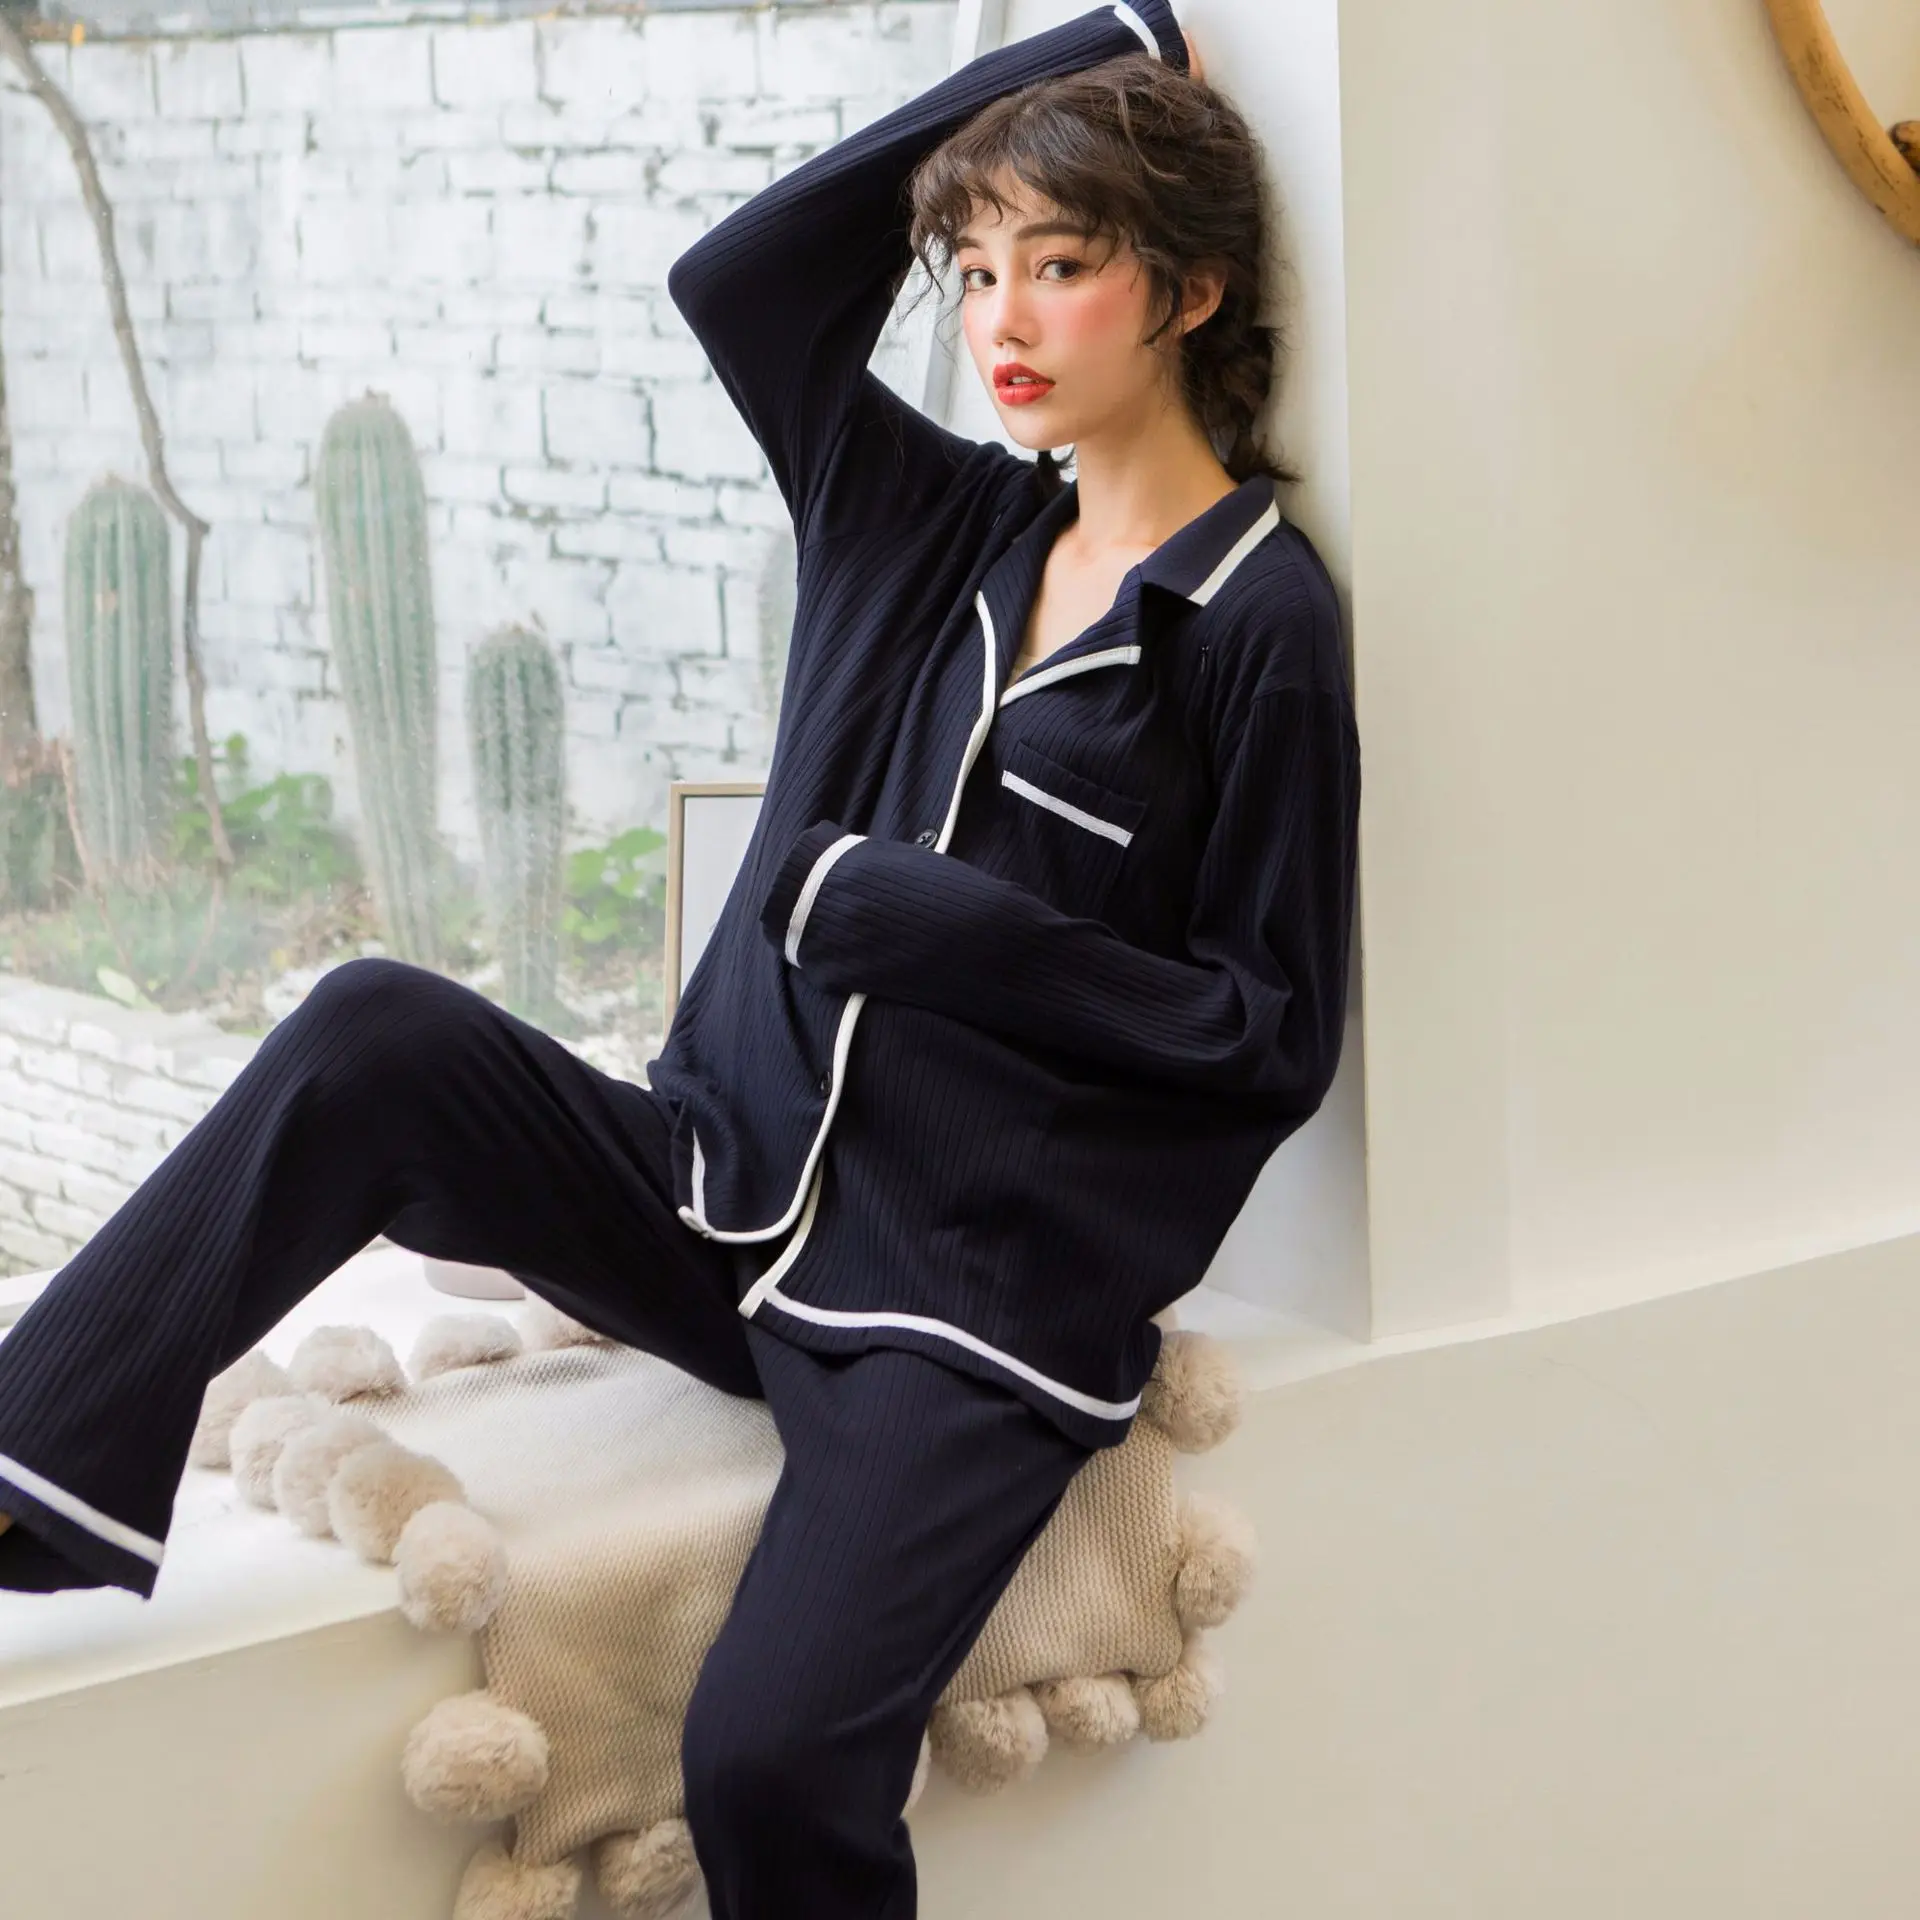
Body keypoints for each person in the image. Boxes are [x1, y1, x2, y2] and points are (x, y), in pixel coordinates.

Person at [0, 3, 1358, 1912]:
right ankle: (27, 1480)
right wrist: (1097, 46)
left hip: (962, 1312)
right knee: (375, 1031)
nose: (1002, 320)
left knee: (772, 1762)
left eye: (1062, 266)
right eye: (976, 271)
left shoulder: (1256, 622)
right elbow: (742, 282)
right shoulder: (922, 522)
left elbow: (1266, 1032)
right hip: (723, 1193)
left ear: (1192, 292)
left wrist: (951, 932)